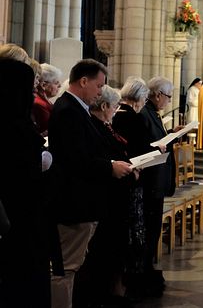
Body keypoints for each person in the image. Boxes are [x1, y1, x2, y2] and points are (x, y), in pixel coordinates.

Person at [47, 59, 133, 308]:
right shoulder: (68, 111)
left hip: (83, 202)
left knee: (72, 267)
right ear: (83, 81)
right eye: (98, 85)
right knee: (66, 269)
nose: (99, 91)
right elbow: (76, 158)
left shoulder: (74, 109)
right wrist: (110, 166)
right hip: (74, 204)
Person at [0, 59, 51, 307]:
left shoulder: (16, 121)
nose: (33, 95)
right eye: (30, 89)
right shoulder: (14, 126)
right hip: (19, 222)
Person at [79, 85, 137, 306]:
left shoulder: (103, 126)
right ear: (104, 106)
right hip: (107, 199)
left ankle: (111, 292)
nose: (116, 111)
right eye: (114, 107)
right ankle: (103, 295)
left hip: (115, 197)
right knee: (104, 251)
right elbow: (101, 161)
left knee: (113, 249)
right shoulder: (94, 127)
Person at [111, 77, 152, 299]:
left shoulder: (118, 116)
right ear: (137, 97)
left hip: (124, 178)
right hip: (131, 179)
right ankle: (131, 279)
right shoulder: (133, 119)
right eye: (145, 98)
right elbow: (139, 148)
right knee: (133, 230)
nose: (146, 101)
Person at [139, 77, 176, 293]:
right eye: (168, 97)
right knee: (149, 228)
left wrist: (170, 136)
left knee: (154, 229)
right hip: (151, 181)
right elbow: (145, 147)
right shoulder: (145, 114)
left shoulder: (153, 114)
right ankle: (144, 270)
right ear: (158, 95)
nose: (169, 101)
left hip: (157, 181)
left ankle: (149, 267)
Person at [33, 63, 64, 136]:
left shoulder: (45, 101)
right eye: (56, 83)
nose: (60, 85)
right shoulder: (39, 104)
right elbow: (51, 128)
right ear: (44, 85)